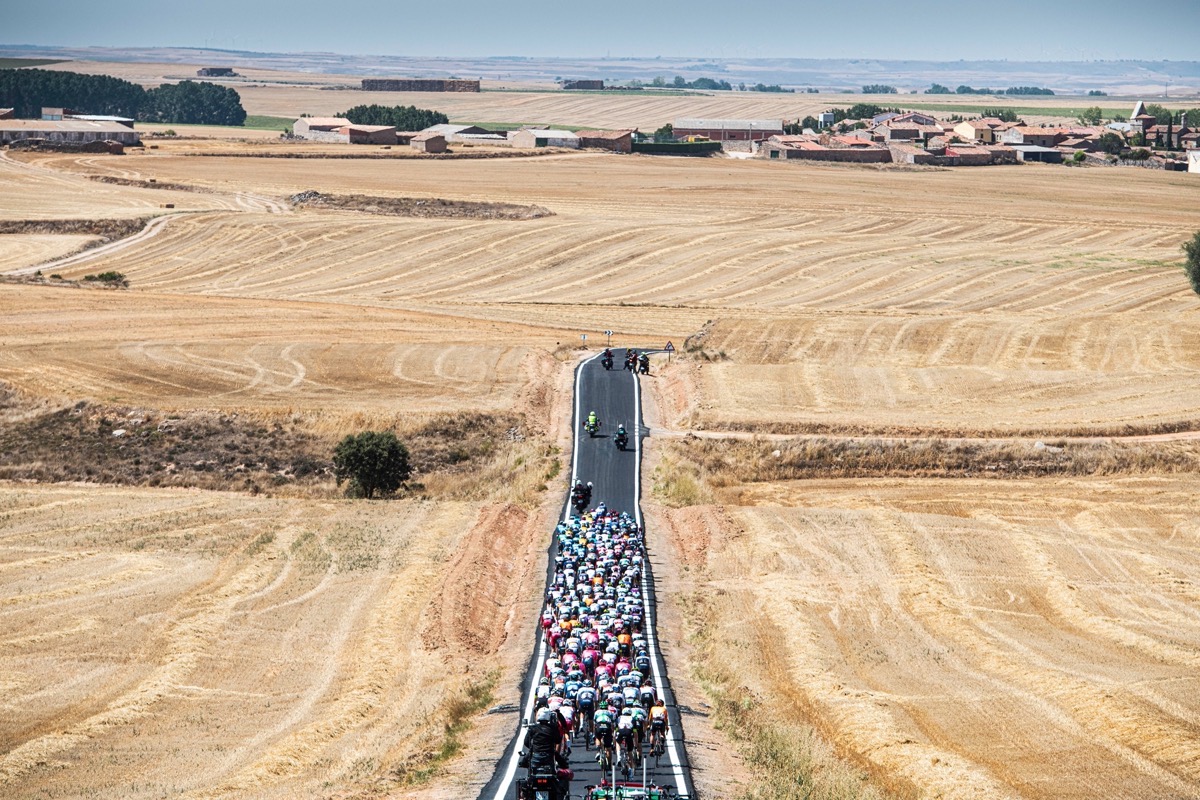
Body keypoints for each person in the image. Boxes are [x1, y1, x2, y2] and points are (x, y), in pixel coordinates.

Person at [523, 707, 565, 794]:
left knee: (531, 777)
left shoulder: (533, 728)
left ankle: (527, 793)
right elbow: (558, 740)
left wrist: (533, 747)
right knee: (553, 777)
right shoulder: (552, 728)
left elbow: (526, 742)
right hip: (548, 757)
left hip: (536, 757)